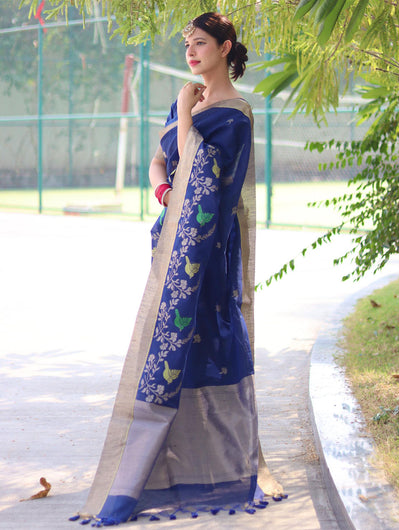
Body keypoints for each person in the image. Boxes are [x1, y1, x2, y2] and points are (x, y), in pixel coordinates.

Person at [70, 12, 286, 526]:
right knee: (167, 348)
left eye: (201, 43)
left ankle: (230, 467)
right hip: (172, 243)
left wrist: (187, 117)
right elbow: (160, 165)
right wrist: (165, 192)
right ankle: (167, 467)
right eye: (186, 43)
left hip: (206, 252)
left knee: (213, 342)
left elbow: (201, 174)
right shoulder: (183, 102)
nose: (190, 52)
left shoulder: (234, 115)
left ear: (225, 47)